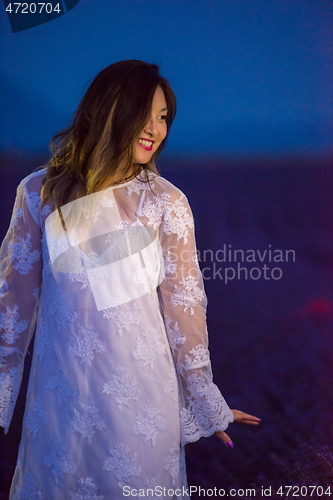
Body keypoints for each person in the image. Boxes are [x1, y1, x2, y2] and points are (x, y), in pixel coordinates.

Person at [0, 60, 260, 499]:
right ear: (110, 110)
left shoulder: (166, 202)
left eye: (163, 118)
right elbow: (12, 309)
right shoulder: (38, 194)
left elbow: (186, 307)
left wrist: (204, 398)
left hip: (141, 406)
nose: (156, 128)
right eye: (146, 113)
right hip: (60, 402)